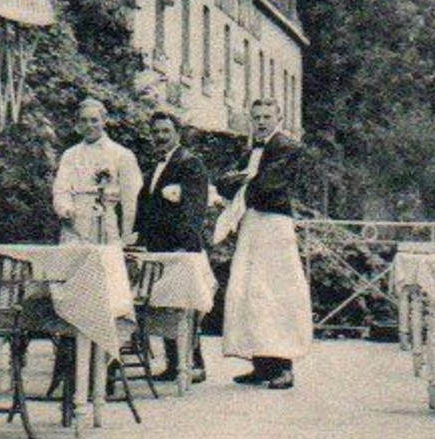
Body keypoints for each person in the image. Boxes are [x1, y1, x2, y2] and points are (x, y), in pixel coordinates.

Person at [218, 98, 312, 390]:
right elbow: (223, 183)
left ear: (278, 118)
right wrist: (244, 181)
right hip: (252, 224)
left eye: (267, 116)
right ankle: (261, 364)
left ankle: (284, 366)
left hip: (274, 225)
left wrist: (244, 182)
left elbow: (268, 186)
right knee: (250, 290)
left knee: (277, 291)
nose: (261, 121)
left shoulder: (288, 147)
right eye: (256, 116)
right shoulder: (250, 151)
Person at [134, 109, 210, 382]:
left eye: (166, 132)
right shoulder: (155, 166)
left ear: (177, 134)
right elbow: (147, 207)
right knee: (164, 301)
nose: (160, 137)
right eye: (156, 132)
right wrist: (138, 237)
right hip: (157, 246)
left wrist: (185, 245)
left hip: (180, 247)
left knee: (185, 302)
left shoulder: (190, 164)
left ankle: (194, 364)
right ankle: (174, 362)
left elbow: (195, 209)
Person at [51, 98, 142, 245]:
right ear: (78, 123)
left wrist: (127, 235)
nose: (89, 126)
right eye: (83, 120)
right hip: (75, 223)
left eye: (94, 120)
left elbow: (131, 200)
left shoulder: (122, 154)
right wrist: (65, 208)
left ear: (104, 121)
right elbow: (61, 189)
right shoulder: (70, 154)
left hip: (107, 222)